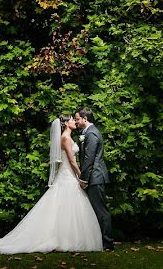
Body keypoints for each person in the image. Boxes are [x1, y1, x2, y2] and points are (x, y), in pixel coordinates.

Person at [0, 114, 102, 254]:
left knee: (65, 207)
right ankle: (66, 239)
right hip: (68, 175)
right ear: (65, 124)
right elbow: (72, 161)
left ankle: (66, 237)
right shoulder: (66, 138)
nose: (74, 122)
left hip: (67, 175)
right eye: (71, 120)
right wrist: (81, 176)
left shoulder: (67, 137)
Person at [75, 107, 114, 251]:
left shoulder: (91, 134)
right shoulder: (88, 133)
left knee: (101, 212)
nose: (76, 121)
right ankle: (100, 241)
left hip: (95, 178)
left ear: (85, 119)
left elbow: (89, 159)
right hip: (94, 177)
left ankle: (108, 244)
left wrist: (83, 180)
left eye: (78, 118)